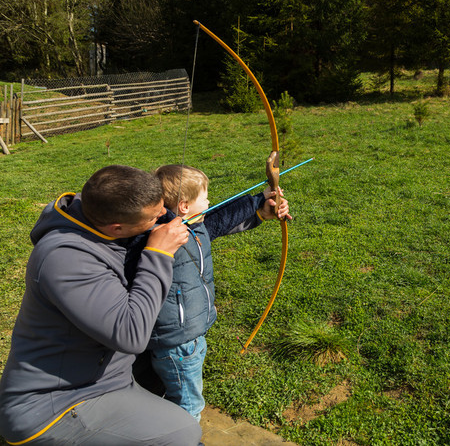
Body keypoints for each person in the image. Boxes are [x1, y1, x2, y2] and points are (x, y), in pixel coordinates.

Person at [0, 165, 202, 445]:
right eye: (155, 215)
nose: (164, 217)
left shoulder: (99, 212)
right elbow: (130, 335)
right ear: (117, 228)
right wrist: (158, 254)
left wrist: (257, 211)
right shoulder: (65, 259)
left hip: (107, 377)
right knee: (183, 432)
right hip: (55, 405)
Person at [146, 164, 290, 421]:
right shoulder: (162, 237)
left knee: (176, 395)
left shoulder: (196, 226)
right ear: (184, 206)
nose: (210, 201)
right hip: (178, 342)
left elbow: (222, 218)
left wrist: (262, 202)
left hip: (191, 336)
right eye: (205, 197)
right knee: (189, 409)